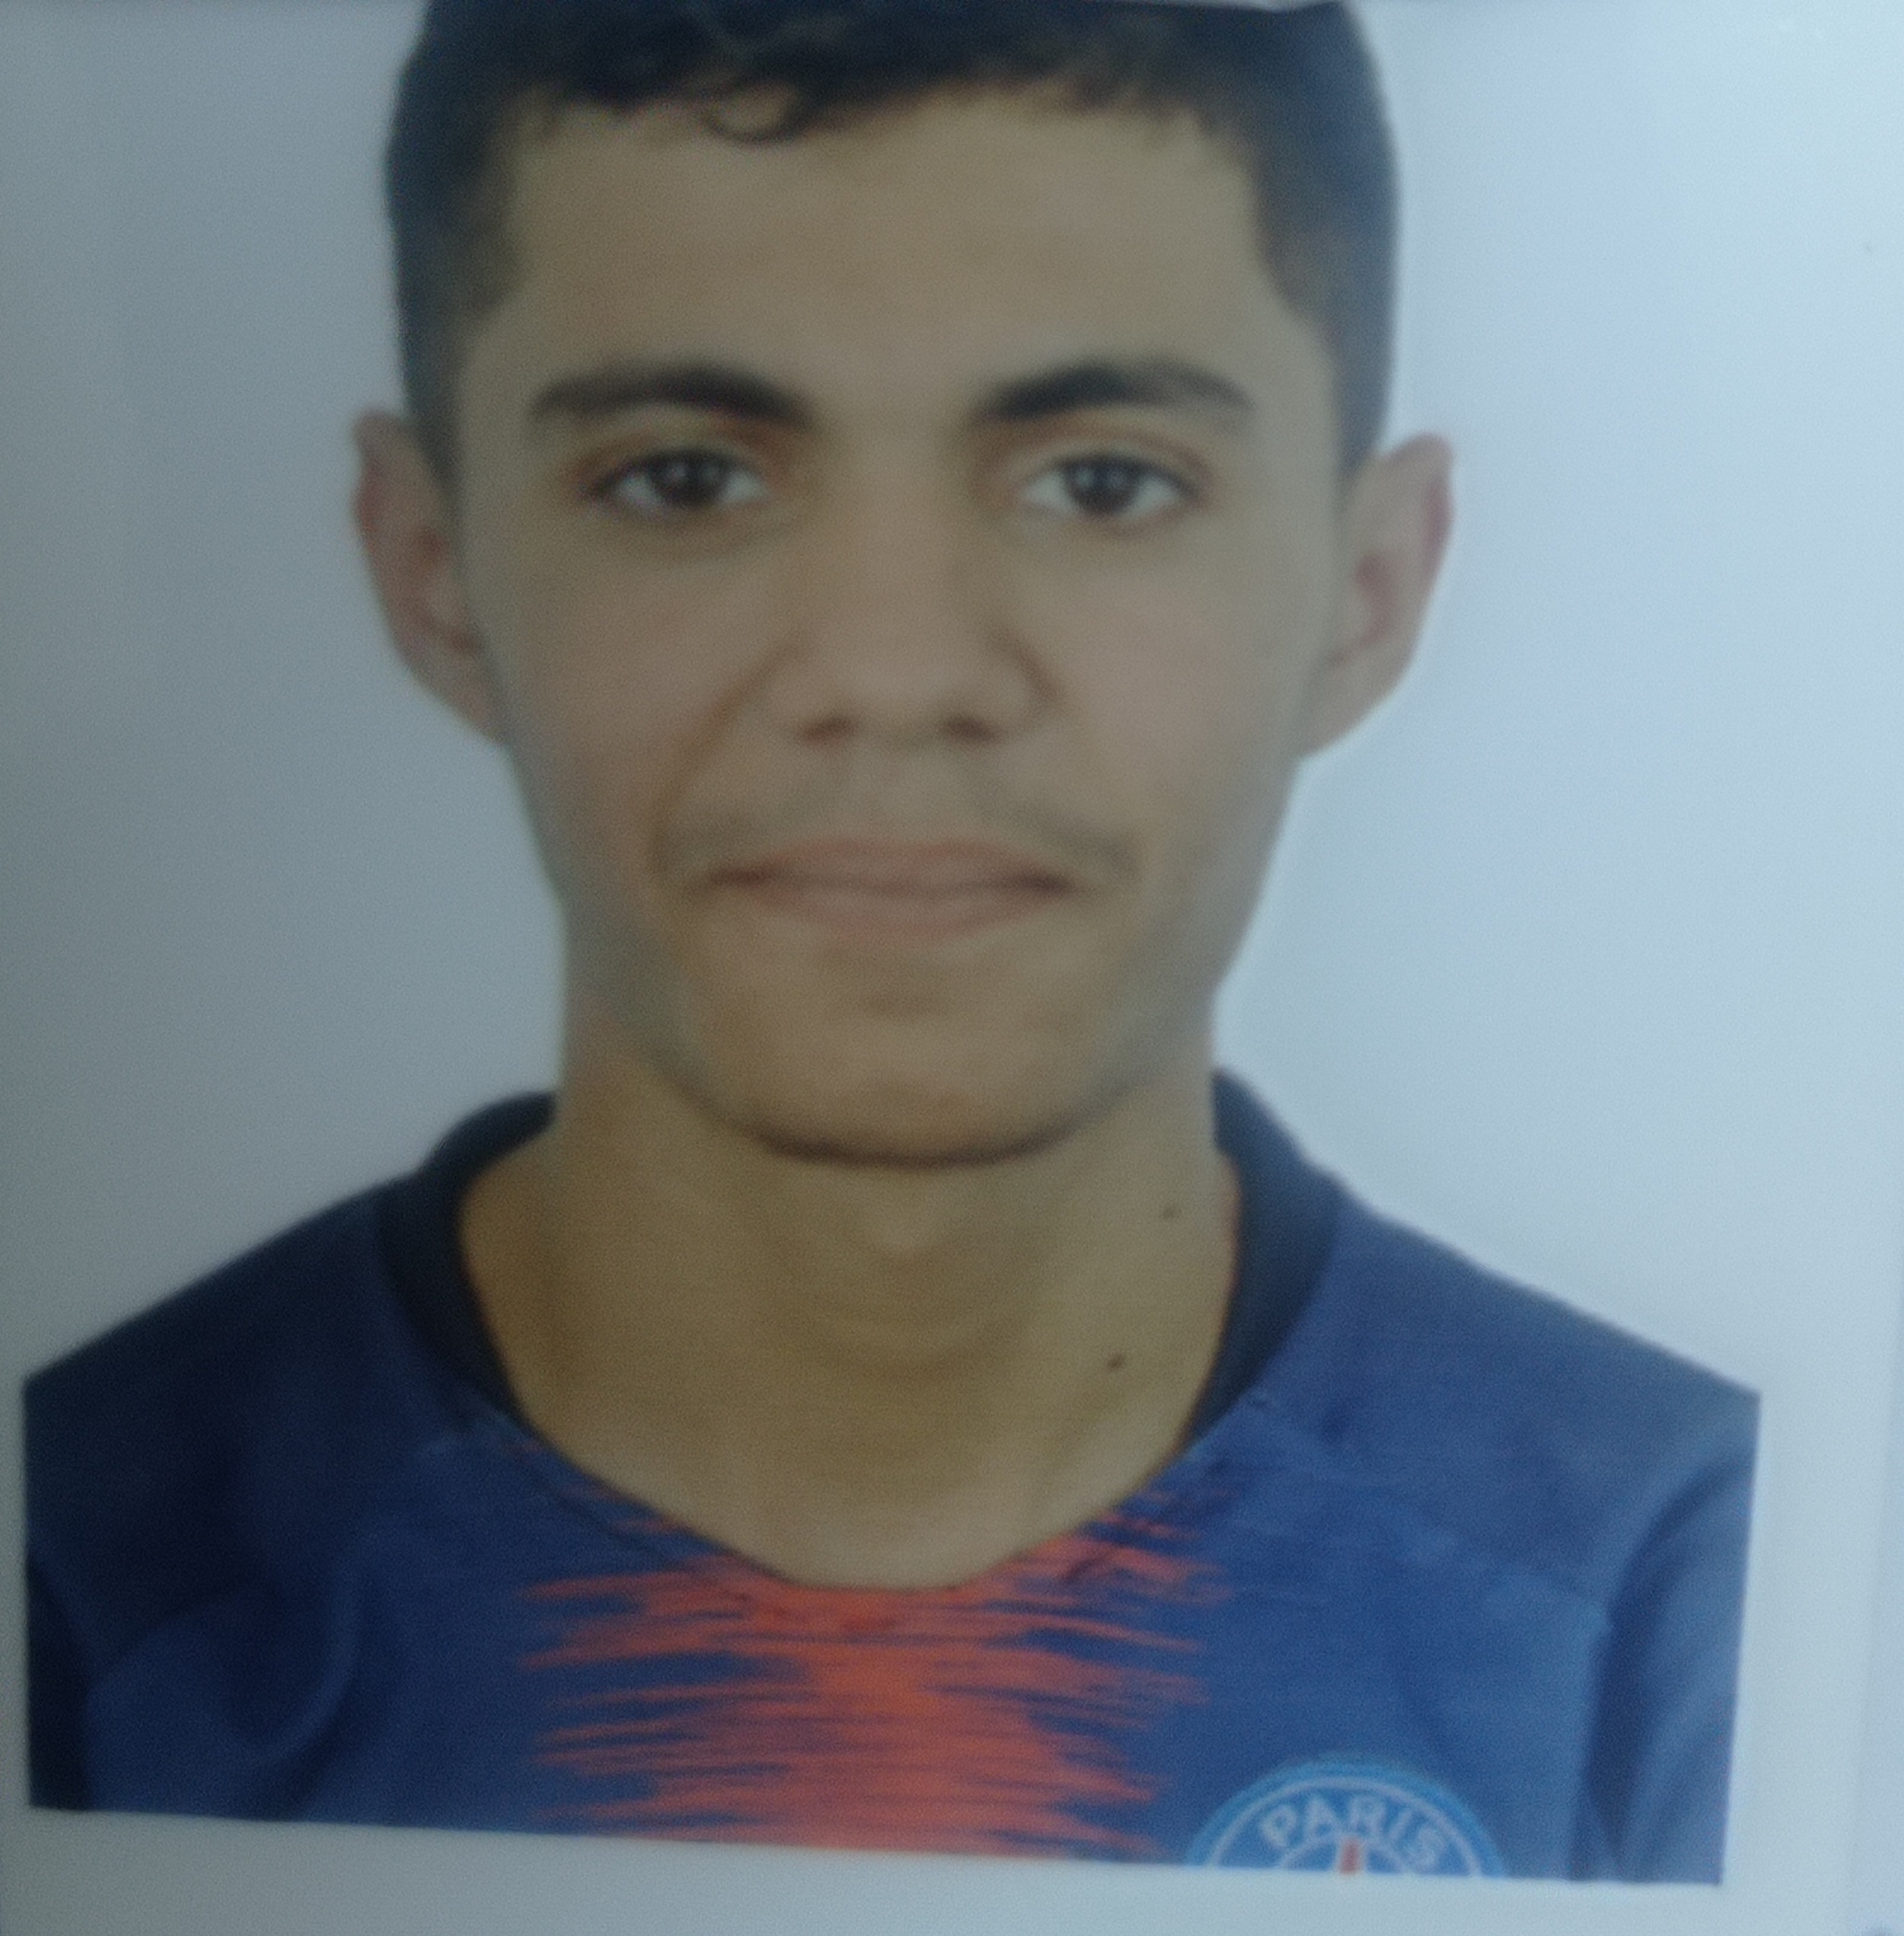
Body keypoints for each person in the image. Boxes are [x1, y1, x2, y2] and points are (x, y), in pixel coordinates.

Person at [24, 0, 1755, 1881]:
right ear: (433, 572)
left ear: (1366, 588)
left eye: (1102, 481)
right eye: (685, 478)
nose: (896, 670)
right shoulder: (75, 1581)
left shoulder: (1687, 1597)